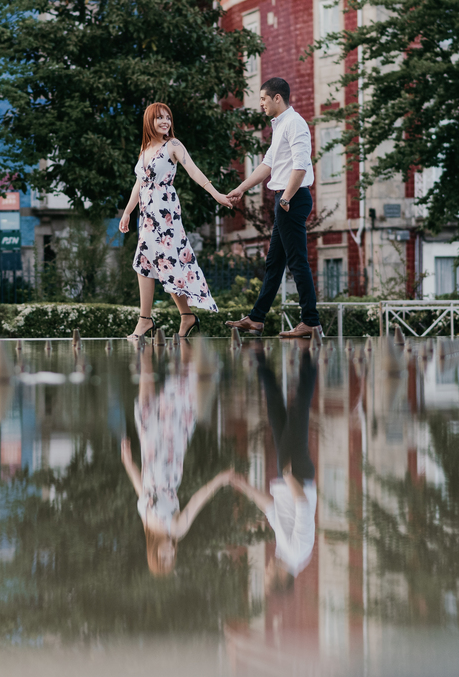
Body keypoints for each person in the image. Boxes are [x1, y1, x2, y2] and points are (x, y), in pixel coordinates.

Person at [119, 103, 233, 341]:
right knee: (145, 262)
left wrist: (216, 194)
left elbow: (193, 170)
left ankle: (159, 318)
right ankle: (159, 318)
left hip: (165, 211)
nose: (165, 122)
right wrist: (127, 212)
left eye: (168, 118)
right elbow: (139, 185)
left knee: (167, 263)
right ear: (149, 121)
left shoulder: (173, 145)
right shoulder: (145, 150)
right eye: (159, 118)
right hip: (147, 216)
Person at [121, 344, 233, 576]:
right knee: (182, 392)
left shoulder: (147, 524)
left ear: (153, 553)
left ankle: (146, 336)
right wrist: (219, 481)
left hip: (150, 452)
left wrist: (129, 464)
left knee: (146, 393)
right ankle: (185, 336)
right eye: (171, 557)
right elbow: (196, 502)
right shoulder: (177, 528)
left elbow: (142, 491)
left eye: (164, 557)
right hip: (169, 457)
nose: (170, 553)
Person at [224, 77, 322, 339]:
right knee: (274, 263)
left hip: (292, 198)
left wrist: (286, 198)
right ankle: (256, 318)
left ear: (277, 98)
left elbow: (300, 166)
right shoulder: (280, 127)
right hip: (286, 199)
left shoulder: (295, 124)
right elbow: (267, 166)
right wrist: (241, 188)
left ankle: (310, 321)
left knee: (297, 260)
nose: (261, 104)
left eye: (263, 99)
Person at [229, 343, 318, 586]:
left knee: (276, 413)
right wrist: (290, 479)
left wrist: (244, 486)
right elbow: (303, 508)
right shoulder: (297, 552)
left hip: (289, 477)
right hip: (296, 476)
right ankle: (309, 354)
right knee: (298, 412)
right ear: (280, 578)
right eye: (268, 576)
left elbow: (271, 509)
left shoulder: (286, 554)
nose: (266, 569)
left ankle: (260, 356)